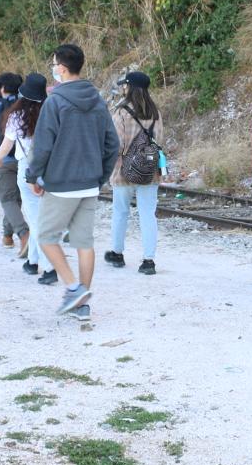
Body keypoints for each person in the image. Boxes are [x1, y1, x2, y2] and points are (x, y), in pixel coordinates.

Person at [26, 44, 119, 323]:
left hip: (61, 183)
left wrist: (34, 176)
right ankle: (83, 304)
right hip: (89, 184)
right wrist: (99, 177)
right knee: (84, 242)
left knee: (45, 237)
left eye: (54, 63)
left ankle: (73, 288)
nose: (52, 68)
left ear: (62, 69)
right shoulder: (98, 99)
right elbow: (112, 144)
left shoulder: (55, 101)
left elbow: (43, 145)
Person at [106, 71, 165, 275]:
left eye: (125, 85)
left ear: (129, 87)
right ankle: (148, 261)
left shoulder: (121, 112)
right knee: (148, 214)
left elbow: (117, 145)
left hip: (123, 171)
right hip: (149, 170)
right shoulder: (155, 111)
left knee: (121, 212)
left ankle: (117, 253)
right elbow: (159, 140)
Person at [0, 73, 48, 278]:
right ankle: (33, 261)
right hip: (48, 168)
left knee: (35, 219)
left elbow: (7, 144)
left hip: (27, 167)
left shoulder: (17, 116)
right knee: (40, 215)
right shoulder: (49, 112)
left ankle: (48, 265)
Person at [0, 72, 29, 252]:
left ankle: (24, 234)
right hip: (23, 157)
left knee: (8, 199)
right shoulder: (26, 105)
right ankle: (7, 235)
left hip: (2, 159)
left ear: (1, 88)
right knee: (14, 199)